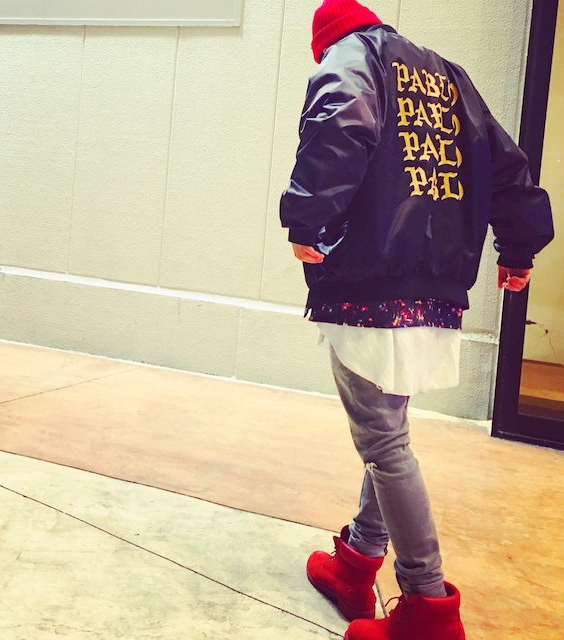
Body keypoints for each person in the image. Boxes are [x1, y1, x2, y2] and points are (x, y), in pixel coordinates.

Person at [279, 1, 555, 639]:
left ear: (326, 42)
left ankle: (428, 607)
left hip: (369, 285)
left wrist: (309, 222)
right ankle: (356, 562)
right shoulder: (447, 75)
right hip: (436, 287)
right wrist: (517, 249)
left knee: (383, 442)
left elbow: (339, 123)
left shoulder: (351, 59)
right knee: (390, 432)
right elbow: (507, 165)